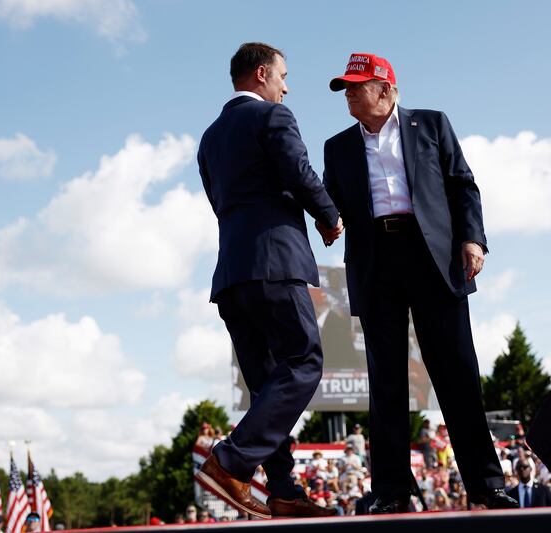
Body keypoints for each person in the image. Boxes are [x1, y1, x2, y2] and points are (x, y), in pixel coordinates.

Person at [321, 52, 518, 513]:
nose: (349, 93)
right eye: (345, 87)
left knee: (457, 374)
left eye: (357, 85)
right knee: (386, 381)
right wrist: (322, 218)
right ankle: (391, 493)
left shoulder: (431, 124)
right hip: (375, 262)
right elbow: (325, 199)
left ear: (387, 89)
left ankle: (488, 485)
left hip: (433, 256)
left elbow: (463, 184)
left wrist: (473, 239)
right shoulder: (337, 147)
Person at [194, 41, 342, 520]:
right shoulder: (273, 117)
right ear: (261, 74)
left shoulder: (209, 138)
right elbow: (297, 171)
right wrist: (328, 215)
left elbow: (220, 203)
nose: (286, 85)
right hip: (275, 265)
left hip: (232, 275)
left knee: (267, 386)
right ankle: (231, 461)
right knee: (304, 361)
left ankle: (282, 490)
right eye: (283, 75)